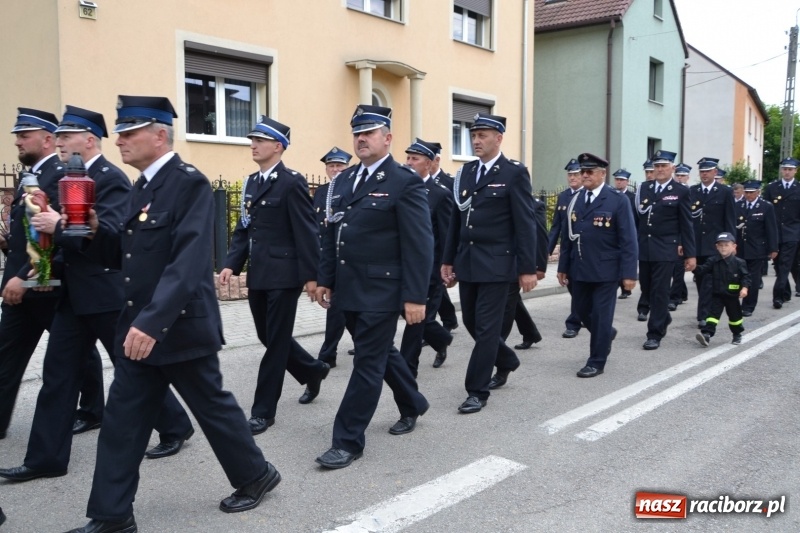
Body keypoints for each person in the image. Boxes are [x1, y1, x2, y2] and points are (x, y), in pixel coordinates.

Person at [63, 96, 280, 533]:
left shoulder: (189, 183)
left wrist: (151, 322)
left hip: (179, 326)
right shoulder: (140, 186)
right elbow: (123, 254)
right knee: (122, 424)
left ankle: (255, 475)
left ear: (159, 135)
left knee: (213, 409)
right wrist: (84, 226)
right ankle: (111, 516)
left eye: (129, 133)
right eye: (119, 133)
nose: (120, 141)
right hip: (140, 327)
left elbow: (188, 262)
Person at [0, 106, 195, 484]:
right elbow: (59, 237)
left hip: (106, 292)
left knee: (131, 368)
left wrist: (59, 229)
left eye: (65, 138)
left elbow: (109, 235)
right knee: (57, 375)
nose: (58, 144)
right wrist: (41, 268)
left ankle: (175, 425)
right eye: (55, 138)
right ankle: (46, 458)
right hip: (74, 295)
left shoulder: (111, 179)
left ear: (88, 140)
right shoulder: (68, 179)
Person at [314, 105, 431, 468]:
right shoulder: (344, 181)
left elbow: (419, 243)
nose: (361, 139)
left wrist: (415, 296)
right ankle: (413, 402)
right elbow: (332, 233)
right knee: (380, 353)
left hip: (383, 291)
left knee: (366, 362)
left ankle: (347, 440)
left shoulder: (404, 181)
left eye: (369, 133)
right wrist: (325, 279)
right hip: (349, 288)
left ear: (388, 138)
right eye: (357, 134)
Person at [219, 116, 329, 431]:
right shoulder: (251, 183)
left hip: (285, 275)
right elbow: (244, 229)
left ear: (277, 146)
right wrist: (230, 263)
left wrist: (312, 277)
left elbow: (306, 232)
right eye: (252, 140)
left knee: (276, 343)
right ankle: (312, 371)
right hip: (259, 273)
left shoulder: (291, 182)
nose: (253, 145)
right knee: (266, 336)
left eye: (260, 140)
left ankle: (263, 411)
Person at [0, 108, 100, 440]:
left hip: (43, 286)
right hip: (22, 285)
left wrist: (25, 277)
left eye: (23, 135)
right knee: (7, 355)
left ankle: (93, 410)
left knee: (77, 354)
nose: (17, 142)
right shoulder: (32, 177)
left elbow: (63, 237)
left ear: (45, 139)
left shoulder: (63, 177)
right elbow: (29, 235)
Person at [441, 112, 538, 411]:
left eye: (482, 135)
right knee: (470, 320)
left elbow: (525, 224)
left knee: (486, 329)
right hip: (468, 261)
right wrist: (448, 260)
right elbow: (456, 221)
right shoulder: (465, 173)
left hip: (498, 264)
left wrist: (527, 268)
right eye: (473, 135)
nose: (476, 140)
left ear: (498, 138)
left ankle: (477, 390)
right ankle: (507, 359)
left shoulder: (513, 173)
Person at [557, 153, 638, 377]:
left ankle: (596, 361)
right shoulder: (575, 199)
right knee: (583, 312)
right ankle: (606, 334)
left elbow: (628, 239)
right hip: (579, 268)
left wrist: (629, 274)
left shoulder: (616, 199)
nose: (585, 175)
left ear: (602, 174)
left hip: (606, 270)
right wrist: (563, 267)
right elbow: (568, 236)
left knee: (601, 316)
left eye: (590, 171)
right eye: (583, 171)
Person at [399, 138, 453, 374]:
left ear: (429, 163)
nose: (409, 163)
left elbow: (447, 235)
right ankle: (441, 340)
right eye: (408, 158)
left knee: (416, 320)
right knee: (411, 314)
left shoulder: (440, 195)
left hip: (429, 270)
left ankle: (408, 368)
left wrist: (447, 267)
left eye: (415, 159)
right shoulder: (398, 188)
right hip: (400, 267)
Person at [636, 150, 696, 350]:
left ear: (672, 168)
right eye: (657, 166)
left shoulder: (681, 191)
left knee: (660, 291)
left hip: (666, 248)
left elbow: (686, 224)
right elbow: (638, 219)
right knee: (646, 288)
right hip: (645, 247)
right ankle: (664, 317)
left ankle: (654, 333)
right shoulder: (644, 188)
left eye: (664, 166)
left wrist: (690, 253)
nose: (660, 169)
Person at [310, 147, 353, 371]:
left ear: (348, 167)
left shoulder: (352, 189)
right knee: (344, 308)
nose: (335, 170)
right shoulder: (321, 192)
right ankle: (369, 345)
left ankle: (327, 354)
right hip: (327, 256)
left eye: (339, 166)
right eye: (331, 166)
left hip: (346, 257)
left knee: (336, 307)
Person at [689, 157, 736, 328]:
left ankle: (704, 315)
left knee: (708, 281)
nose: (704, 174)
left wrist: (730, 243)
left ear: (715, 173)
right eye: (702, 172)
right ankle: (706, 309)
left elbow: (729, 220)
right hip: (696, 244)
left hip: (715, 245)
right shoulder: (692, 192)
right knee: (700, 279)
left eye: (707, 171)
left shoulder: (724, 192)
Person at [505, 195, 547, 350]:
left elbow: (541, 236)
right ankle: (530, 333)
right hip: (502, 261)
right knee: (513, 301)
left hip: (519, 263)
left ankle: (496, 343)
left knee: (507, 305)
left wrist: (540, 266)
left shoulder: (534, 204)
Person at [693, 232, 750, 346]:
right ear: (716, 247)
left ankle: (737, 334)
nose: (723, 247)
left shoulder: (739, 263)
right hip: (717, 294)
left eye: (726, 245)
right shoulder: (713, 261)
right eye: (721, 245)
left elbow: (746, 277)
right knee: (712, 316)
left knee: (735, 317)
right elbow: (703, 270)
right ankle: (706, 335)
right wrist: (693, 267)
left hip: (732, 296)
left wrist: (744, 288)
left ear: (733, 246)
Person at [547, 159, 583, 336]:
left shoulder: (587, 196)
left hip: (584, 249)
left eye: (576, 174)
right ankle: (582, 314)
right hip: (568, 250)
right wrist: (546, 250)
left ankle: (574, 323)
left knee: (578, 286)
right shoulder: (563, 196)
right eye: (570, 175)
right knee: (571, 285)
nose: (572, 178)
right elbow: (556, 226)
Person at [735, 180, 778, 316]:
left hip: (757, 249)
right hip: (740, 248)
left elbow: (771, 229)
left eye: (751, 192)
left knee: (753, 279)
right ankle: (735, 302)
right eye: (746, 192)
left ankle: (748, 306)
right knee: (738, 276)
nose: (748, 195)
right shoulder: (737, 205)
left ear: (758, 192)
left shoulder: (766, 206)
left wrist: (773, 248)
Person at [762, 157, 800, 309]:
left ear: (795, 171)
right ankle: (785, 292)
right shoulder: (772, 188)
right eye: (785, 169)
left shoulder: (799, 188)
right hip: (775, 233)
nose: (787, 172)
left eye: (790, 169)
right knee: (778, 265)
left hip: (793, 233)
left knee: (784, 264)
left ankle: (777, 297)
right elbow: (764, 210)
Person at [430, 142, 458, 332]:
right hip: (424, 246)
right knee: (435, 288)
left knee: (435, 287)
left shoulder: (449, 184)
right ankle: (448, 319)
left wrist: (449, 256)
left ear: (436, 160)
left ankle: (433, 328)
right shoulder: (414, 182)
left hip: (439, 246)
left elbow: (450, 223)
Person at [668, 163, 692, 310]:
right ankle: (682, 292)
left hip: (684, 238)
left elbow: (687, 222)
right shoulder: (672, 192)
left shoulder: (691, 192)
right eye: (678, 175)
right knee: (674, 269)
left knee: (678, 269)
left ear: (688, 177)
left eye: (683, 175)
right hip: (672, 238)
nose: (680, 178)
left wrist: (683, 242)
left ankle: (675, 297)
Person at [612, 168, 636, 299]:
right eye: (617, 180)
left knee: (624, 261)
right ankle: (618, 286)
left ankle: (625, 288)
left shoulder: (632, 197)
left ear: (627, 181)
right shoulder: (612, 195)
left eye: (622, 180)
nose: (619, 182)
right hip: (615, 235)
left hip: (627, 234)